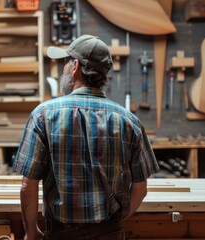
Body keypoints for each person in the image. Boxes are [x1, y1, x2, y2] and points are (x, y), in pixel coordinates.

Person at [13, 34, 159, 240]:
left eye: (66, 62)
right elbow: (140, 188)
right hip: (110, 232)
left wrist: (31, 232)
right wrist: (115, 222)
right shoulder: (129, 121)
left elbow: (28, 186)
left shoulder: (43, 115)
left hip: (61, 234)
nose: (64, 68)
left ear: (75, 66)